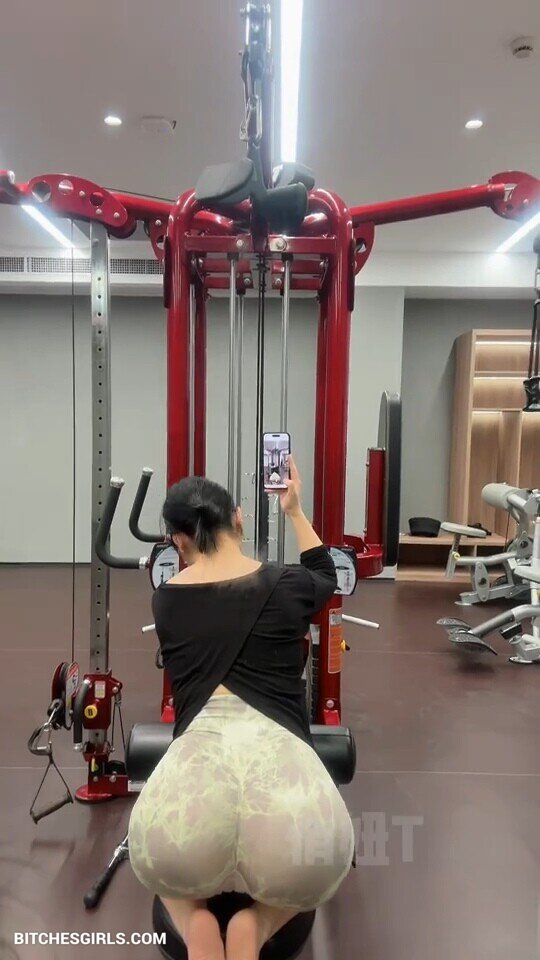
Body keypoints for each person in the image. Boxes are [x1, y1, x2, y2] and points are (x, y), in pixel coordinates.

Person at [128, 457, 355, 960]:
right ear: (238, 518)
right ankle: (259, 923)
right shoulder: (290, 585)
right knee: (312, 867)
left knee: (166, 870)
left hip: (186, 818)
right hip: (289, 823)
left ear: (178, 540)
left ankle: (195, 923)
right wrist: (294, 510)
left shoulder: (166, 602)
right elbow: (326, 574)